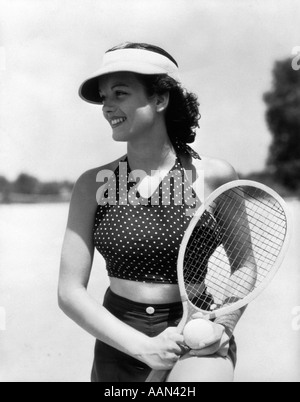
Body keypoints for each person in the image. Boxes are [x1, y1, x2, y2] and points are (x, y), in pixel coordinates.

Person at [58, 42, 244, 382]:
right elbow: (70, 292)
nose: (107, 106)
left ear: (160, 99)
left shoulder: (214, 176)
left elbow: (244, 265)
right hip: (118, 337)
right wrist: (143, 347)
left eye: (120, 93)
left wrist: (225, 326)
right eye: (104, 97)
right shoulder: (92, 185)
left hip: (196, 334)